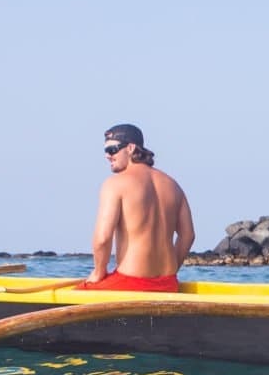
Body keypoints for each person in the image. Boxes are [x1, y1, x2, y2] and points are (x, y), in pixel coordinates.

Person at [78, 123, 195, 291]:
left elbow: (103, 238)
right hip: (168, 284)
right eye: (105, 151)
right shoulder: (173, 186)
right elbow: (188, 235)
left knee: (80, 291)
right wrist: (170, 270)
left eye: (112, 150)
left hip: (130, 284)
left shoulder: (115, 184)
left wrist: (98, 272)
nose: (107, 156)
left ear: (131, 148)